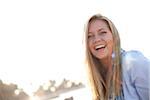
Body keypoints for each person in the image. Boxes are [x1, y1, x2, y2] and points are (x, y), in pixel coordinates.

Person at [84, 14, 150, 100]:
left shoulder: (133, 62)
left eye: (102, 32)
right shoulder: (97, 80)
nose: (97, 39)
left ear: (114, 36)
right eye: (90, 36)